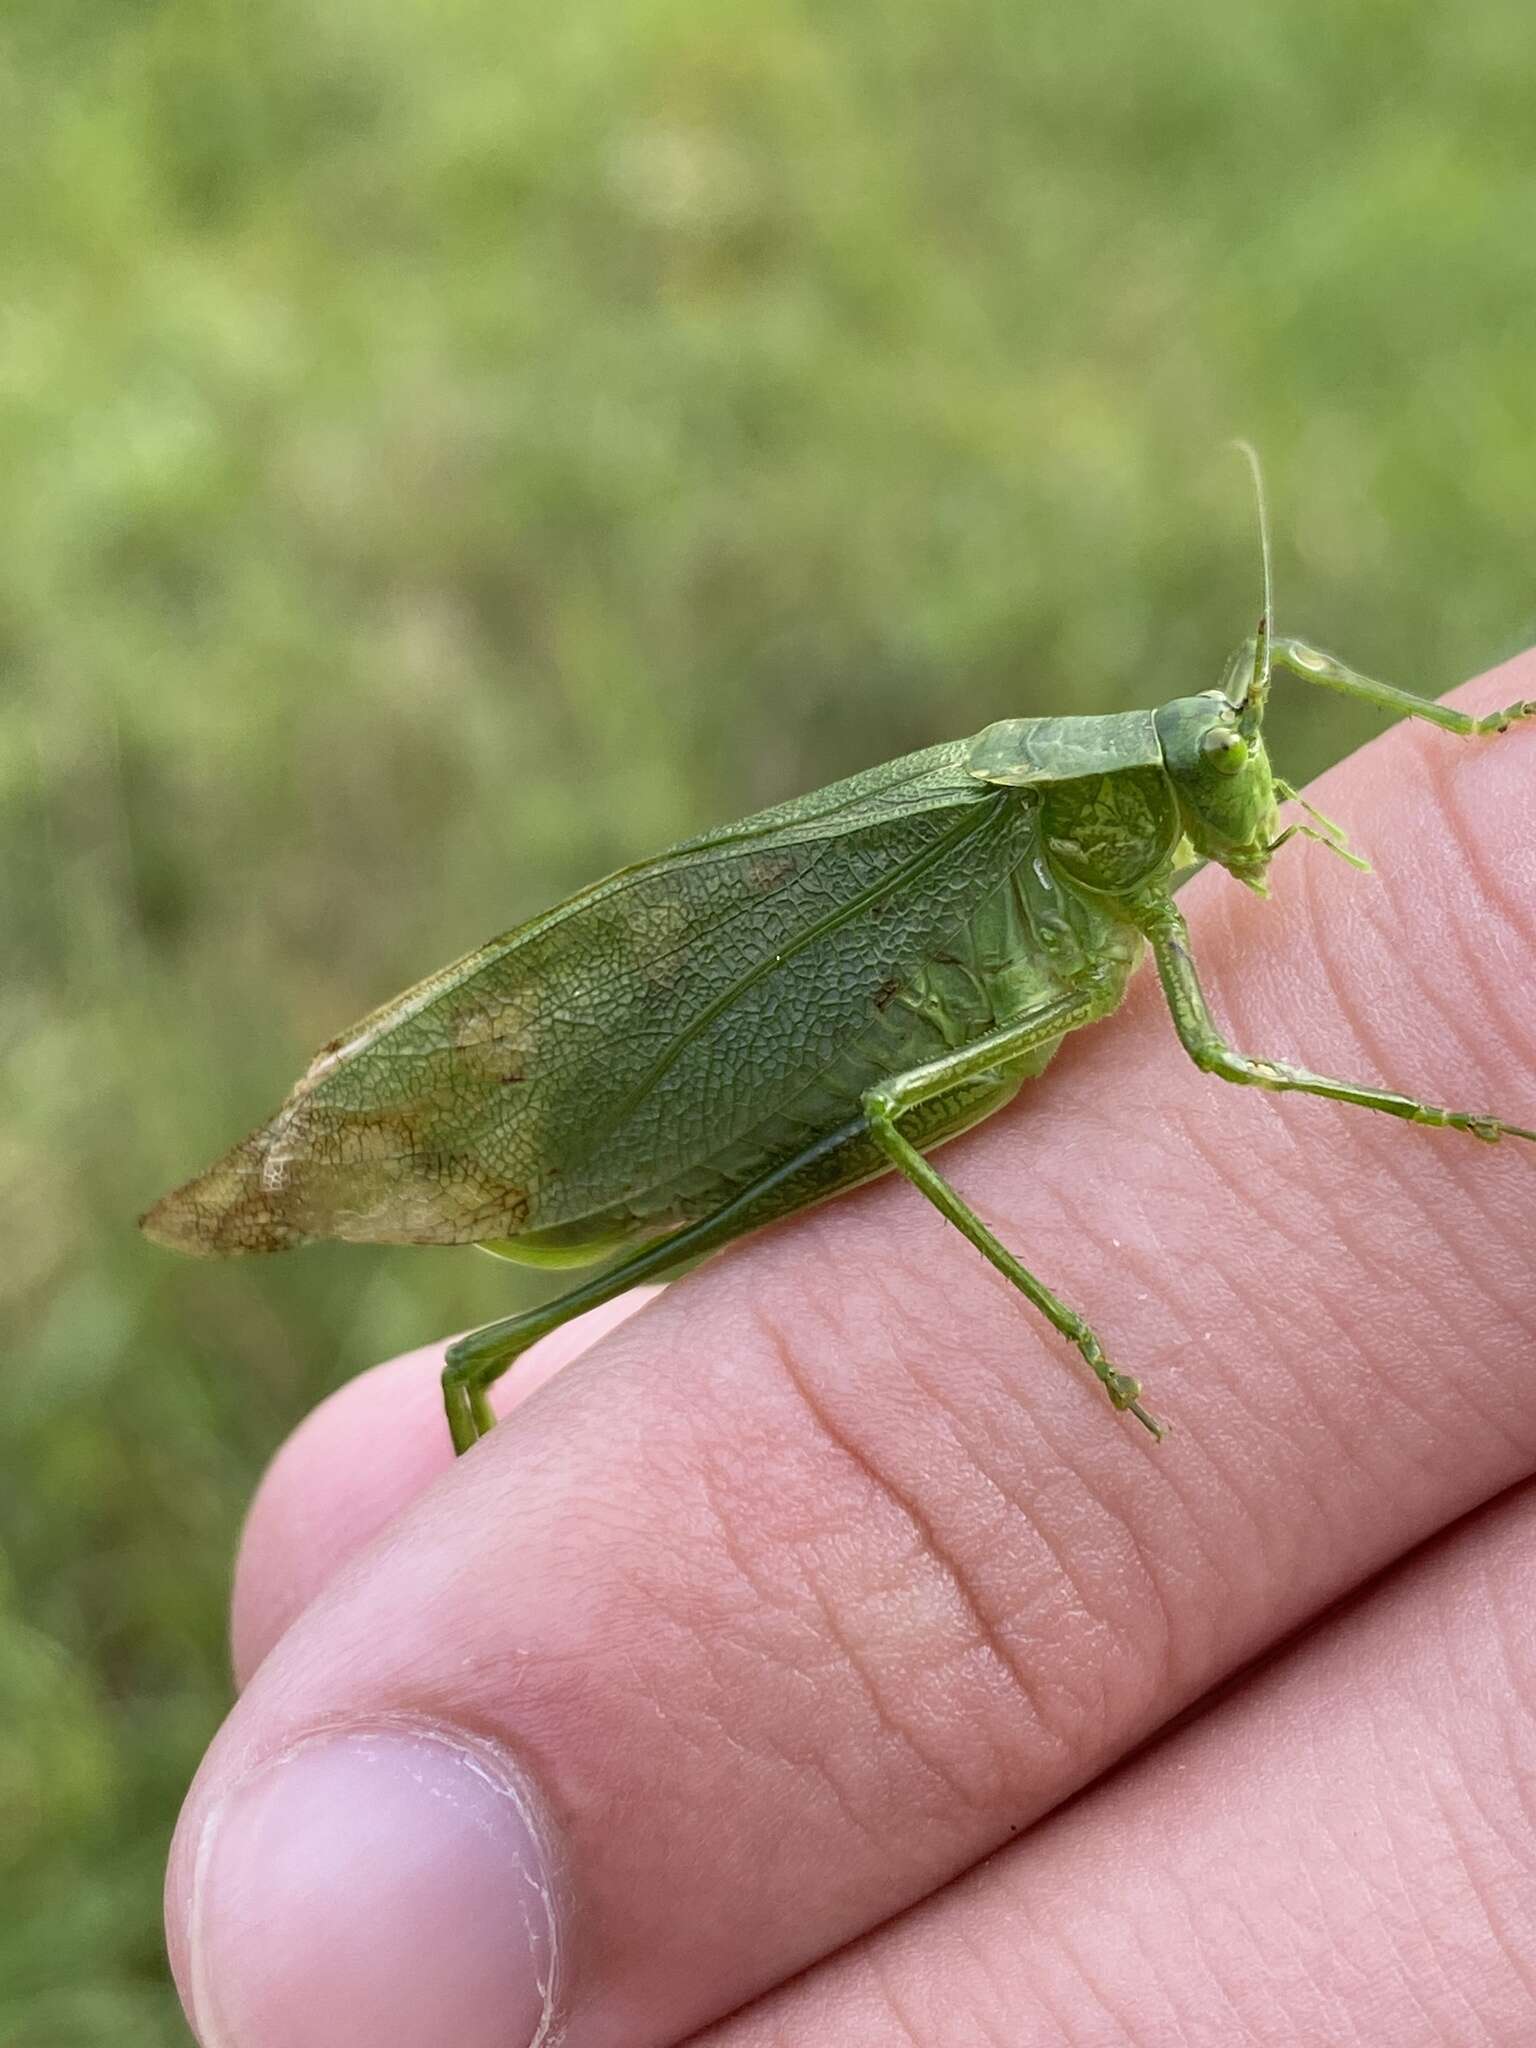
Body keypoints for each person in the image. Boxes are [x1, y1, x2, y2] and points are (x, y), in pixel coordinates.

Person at [165, 654, 1536, 2048]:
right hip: (815, 1082)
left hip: (883, 1067)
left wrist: (1473, 730)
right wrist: (1088, 1320)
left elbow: (1284, 670)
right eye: (1210, 776)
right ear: (1116, 795)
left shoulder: (1113, 847)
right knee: (546, 1325)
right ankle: (474, 1608)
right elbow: (1138, 1077)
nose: (1250, 798)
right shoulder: (1027, 818)